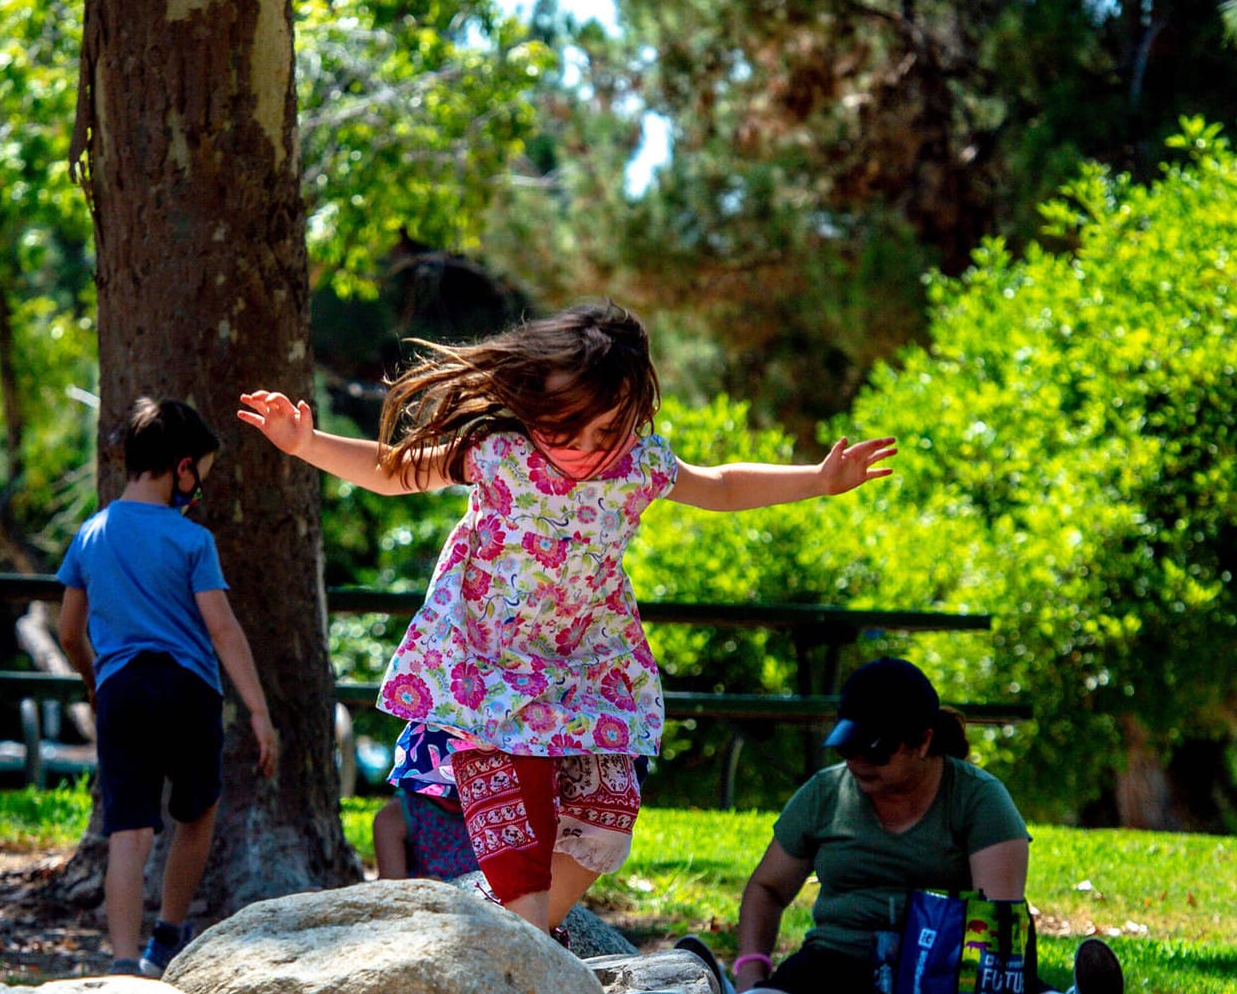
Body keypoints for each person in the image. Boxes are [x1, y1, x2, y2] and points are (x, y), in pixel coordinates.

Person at [239, 301, 898, 942]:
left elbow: (722, 486)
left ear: (633, 419)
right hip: (491, 672)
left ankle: (507, 929)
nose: (584, 448)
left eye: (606, 432)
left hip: (585, 671)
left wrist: (815, 478)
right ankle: (519, 932)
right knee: (517, 842)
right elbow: (393, 473)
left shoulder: (640, 465)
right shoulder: (498, 454)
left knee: (608, 817)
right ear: (534, 403)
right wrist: (307, 442)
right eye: (563, 425)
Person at [676, 657, 1125, 994]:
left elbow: (995, 923)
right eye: (848, 746)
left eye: (875, 749)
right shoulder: (825, 794)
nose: (858, 761)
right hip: (840, 959)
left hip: (951, 965)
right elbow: (768, 887)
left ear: (923, 742)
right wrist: (752, 967)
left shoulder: (979, 798)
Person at [56, 397, 280, 978]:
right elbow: (222, 629)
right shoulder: (191, 541)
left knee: (128, 833)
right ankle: (168, 937)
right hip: (188, 692)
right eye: (200, 474)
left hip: (122, 690)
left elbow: (66, 631)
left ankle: (125, 962)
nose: (200, 487)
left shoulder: (91, 534)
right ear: (182, 467)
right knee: (196, 813)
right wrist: (258, 711)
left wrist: (94, 681)